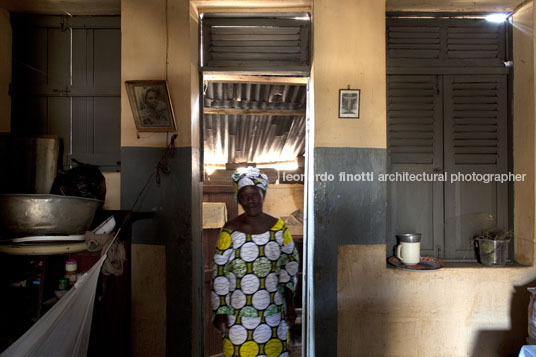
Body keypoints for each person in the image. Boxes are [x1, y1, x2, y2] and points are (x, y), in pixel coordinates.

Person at [211, 167, 299, 357]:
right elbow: (220, 273)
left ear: (263, 194)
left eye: (254, 194)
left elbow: (289, 265)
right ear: (238, 199)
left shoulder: (279, 229)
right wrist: (220, 310)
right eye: (244, 196)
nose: (250, 200)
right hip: (238, 317)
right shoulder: (229, 230)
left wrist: (290, 305)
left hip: (273, 314)